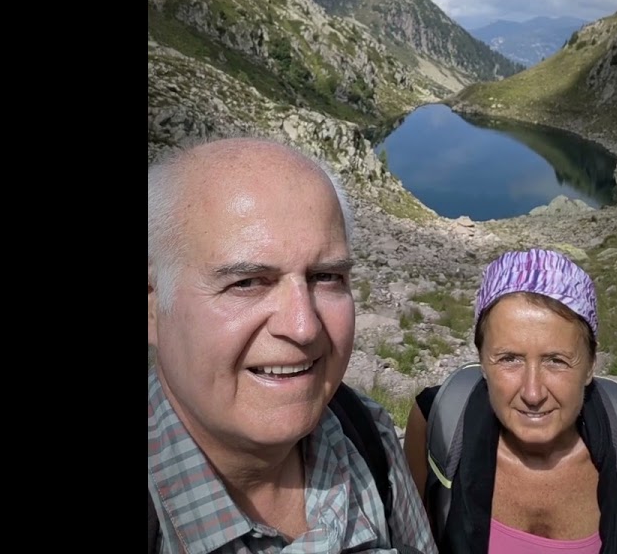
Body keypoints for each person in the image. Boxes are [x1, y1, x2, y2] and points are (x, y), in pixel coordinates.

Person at [147, 137, 437, 554]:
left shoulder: (367, 432)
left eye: (326, 277)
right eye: (247, 282)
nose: (303, 328)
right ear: (153, 306)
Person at [403, 249, 617, 554]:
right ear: (481, 360)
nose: (533, 394)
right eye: (509, 359)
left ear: (590, 365)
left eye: (556, 361)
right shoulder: (436, 424)